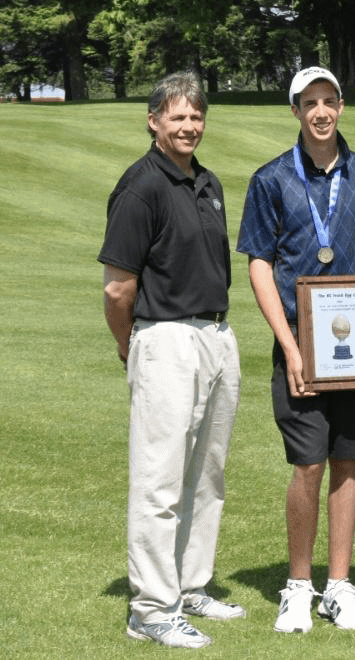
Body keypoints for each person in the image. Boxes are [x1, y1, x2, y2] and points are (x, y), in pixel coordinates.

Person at [236, 66, 355, 634]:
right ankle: (298, 587)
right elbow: (259, 263)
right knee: (307, 466)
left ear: (342, 106)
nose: (322, 111)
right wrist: (288, 345)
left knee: (347, 462)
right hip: (301, 350)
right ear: (296, 111)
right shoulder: (272, 178)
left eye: (330, 101)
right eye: (311, 103)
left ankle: (340, 587)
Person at [99, 71, 242, 649]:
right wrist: (129, 345)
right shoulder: (141, 186)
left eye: (196, 116)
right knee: (159, 481)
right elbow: (117, 289)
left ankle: (190, 585)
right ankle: (152, 608)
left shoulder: (206, 181)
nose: (189, 125)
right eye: (177, 116)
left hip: (214, 335)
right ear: (154, 121)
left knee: (207, 476)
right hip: (164, 339)